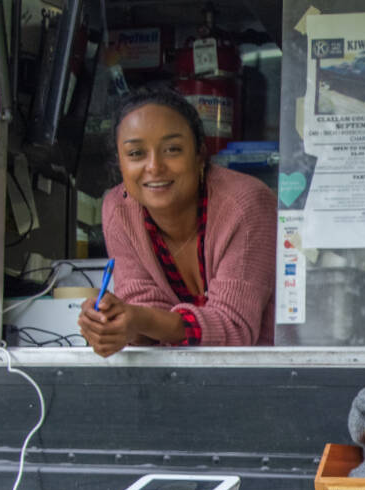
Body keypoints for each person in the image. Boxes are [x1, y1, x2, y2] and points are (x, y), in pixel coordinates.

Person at [79, 88, 276, 357]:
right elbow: (144, 312)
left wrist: (139, 319)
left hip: (270, 378)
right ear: (120, 163)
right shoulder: (119, 210)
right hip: (179, 381)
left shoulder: (245, 205)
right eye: (136, 153)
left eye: (172, 150)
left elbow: (234, 329)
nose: (154, 167)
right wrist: (113, 325)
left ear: (199, 155)